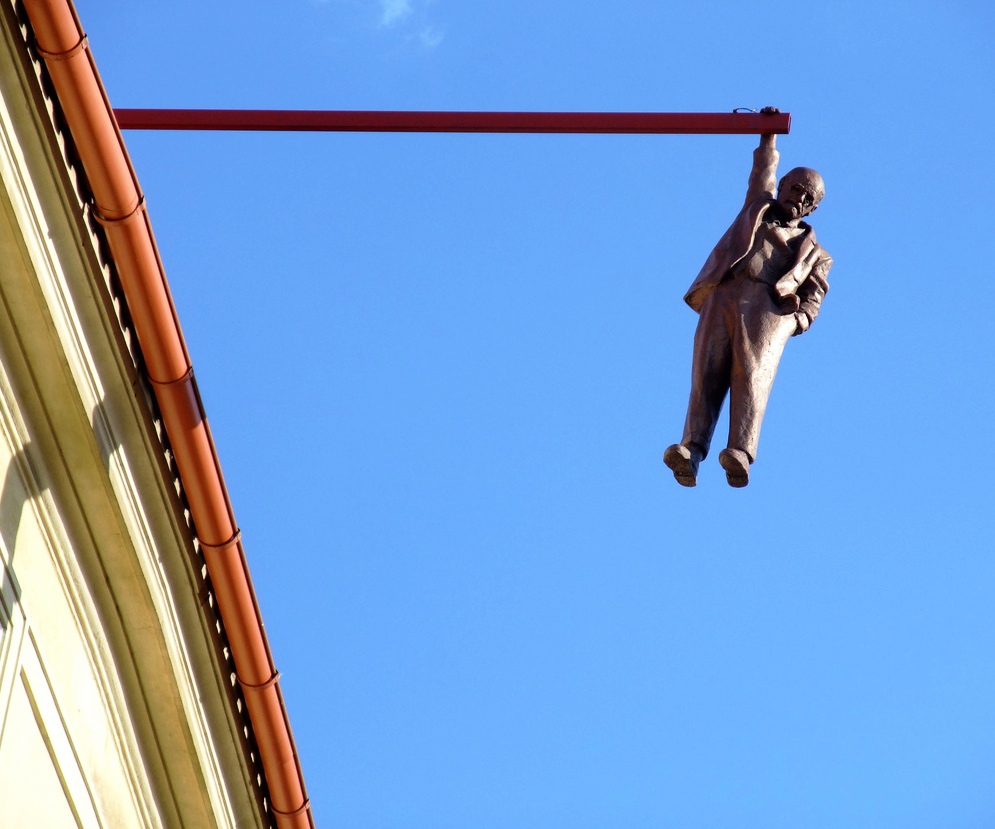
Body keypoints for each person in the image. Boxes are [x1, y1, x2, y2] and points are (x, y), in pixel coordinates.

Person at [663, 109, 831, 488]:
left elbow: (814, 298)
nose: (799, 198)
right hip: (726, 292)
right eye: (795, 188)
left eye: (809, 197)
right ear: (783, 186)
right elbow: (762, 172)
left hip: (768, 311)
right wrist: (768, 137)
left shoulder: (817, 254)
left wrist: (793, 322)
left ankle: (739, 452)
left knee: (752, 378)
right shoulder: (757, 208)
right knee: (705, 372)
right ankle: (690, 448)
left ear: (813, 208)